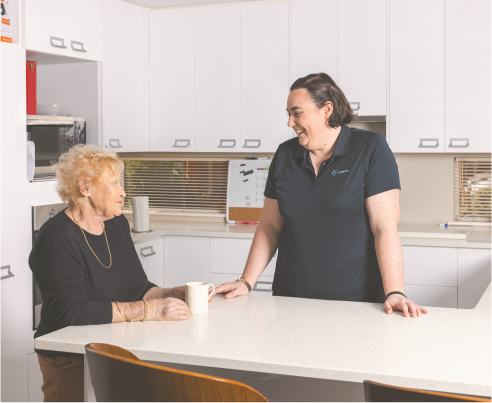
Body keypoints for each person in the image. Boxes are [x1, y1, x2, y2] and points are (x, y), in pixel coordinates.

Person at [214, 73, 428, 319]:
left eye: (297, 113)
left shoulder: (370, 148)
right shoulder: (284, 155)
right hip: (289, 302)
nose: (290, 123)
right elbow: (270, 226)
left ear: (327, 109)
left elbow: (384, 227)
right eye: (288, 114)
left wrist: (395, 291)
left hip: (357, 304)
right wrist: (246, 281)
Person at [29, 145, 193, 402]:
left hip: (117, 346)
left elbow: (137, 287)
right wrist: (152, 310)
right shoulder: (57, 236)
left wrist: (171, 293)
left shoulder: (116, 224)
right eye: (114, 183)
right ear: (85, 188)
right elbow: (73, 311)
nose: (123, 191)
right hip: (71, 355)